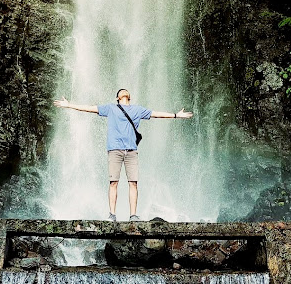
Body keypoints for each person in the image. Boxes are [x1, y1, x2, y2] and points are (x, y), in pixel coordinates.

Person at [53, 88, 193, 222]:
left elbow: (156, 114)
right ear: (117, 98)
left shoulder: (138, 110)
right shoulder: (111, 108)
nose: (124, 91)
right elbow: (90, 108)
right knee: (113, 182)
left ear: (129, 97)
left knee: (133, 183)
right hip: (115, 150)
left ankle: (133, 215)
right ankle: (112, 215)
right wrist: (69, 105)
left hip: (131, 151)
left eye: (126, 91)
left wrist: (176, 115)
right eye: (121, 91)